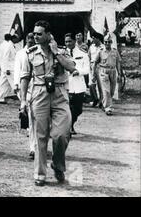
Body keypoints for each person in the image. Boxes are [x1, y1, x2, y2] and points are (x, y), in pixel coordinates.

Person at [19, 20, 76, 186]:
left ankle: (58, 165)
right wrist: (23, 100)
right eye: (34, 33)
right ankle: (40, 174)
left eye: (39, 33)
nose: (35, 36)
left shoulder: (61, 51)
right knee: (40, 136)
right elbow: (25, 78)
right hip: (39, 94)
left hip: (59, 94)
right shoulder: (30, 53)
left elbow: (71, 67)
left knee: (62, 134)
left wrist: (56, 52)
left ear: (48, 35)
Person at [14, 32, 37, 159]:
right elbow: (17, 69)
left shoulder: (40, 52)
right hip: (25, 87)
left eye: (33, 39)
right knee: (31, 115)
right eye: (29, 39)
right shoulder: (21, 54)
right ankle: (33, 147)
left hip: (38, 88)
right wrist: (16, 83)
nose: (31, 41)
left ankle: (36, 144)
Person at [64, 33, 90, 135]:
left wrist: (78, 71)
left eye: (70, 41)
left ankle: (71, 123)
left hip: (78, 85)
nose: (68, 43)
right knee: (68, 108)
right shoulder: (62, 54)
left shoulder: (82, 54)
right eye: (66, 41)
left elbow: (87, 69)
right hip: (66, 85)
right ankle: (69, 127)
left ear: (74, 41)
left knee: (78, 109)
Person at [93, 33, 122, 116]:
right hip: (103, 72)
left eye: (109, 42)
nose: (107, 43)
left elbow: (118, 63)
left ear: (111, 42)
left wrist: (119, 73)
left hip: (113, 71)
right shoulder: (101, 51)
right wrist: (94, 73)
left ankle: (103, 103)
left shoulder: (115, 51)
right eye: (105, 42)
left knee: (112, 91)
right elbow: (95, 63)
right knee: (106, 91)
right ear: (104, 42)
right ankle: (108, 108)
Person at [0, 34, 17, 104]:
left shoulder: (1, 45)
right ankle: (22, 97)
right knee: (16, 82)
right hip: (9, 68)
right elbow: (6, 57)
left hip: (4, 67)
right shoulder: (9, 45)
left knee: (2, 83)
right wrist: (7, 68)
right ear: (12, 39)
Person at [88, 32, 104, 108]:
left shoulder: (103, 47)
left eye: (94, 38)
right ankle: (95, 99)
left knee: (100, 85)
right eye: (92, 38)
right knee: (91, 84)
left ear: (98, 38)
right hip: (92, 66)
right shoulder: (91, 47)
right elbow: (89, 57)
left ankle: (101, 101)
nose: (92, 39)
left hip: (100, 66)